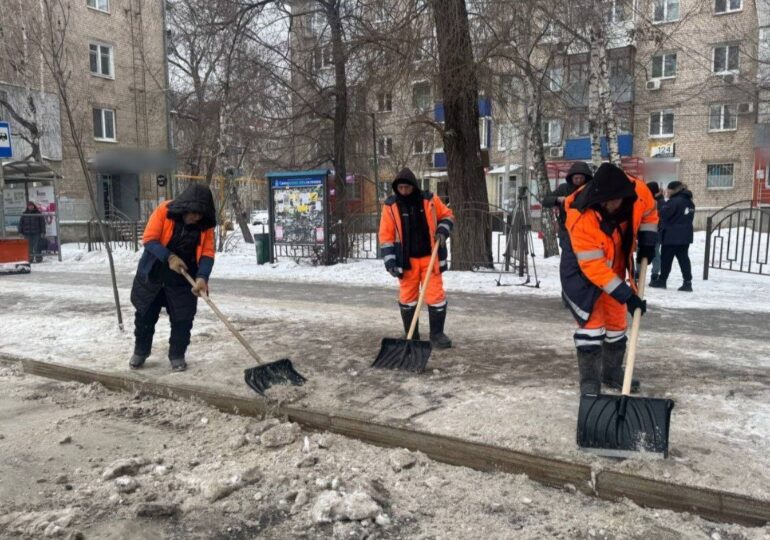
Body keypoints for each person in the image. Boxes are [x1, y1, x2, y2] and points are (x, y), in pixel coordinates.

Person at [560, 163, 659, 395]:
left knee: (617, 323)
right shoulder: (581, 218)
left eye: (615, 201)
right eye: (606, 202)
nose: (611, 206)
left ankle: (612, 373)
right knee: (591, 328)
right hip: (581, 272)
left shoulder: (639, 193)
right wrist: (628, 295)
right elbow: (593, 267)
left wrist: (647, 242)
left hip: (614, 265)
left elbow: (650, 214)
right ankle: (590, 380)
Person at [129, 183, 217, 371]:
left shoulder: (205, 225)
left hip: (183, 279)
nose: (196, 217)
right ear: (184, 207)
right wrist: (169, 257)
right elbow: (149, 239)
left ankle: (177, 354)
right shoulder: (164, 211)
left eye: (200, 214)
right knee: (145, 316)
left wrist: (202, 277)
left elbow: (208, 253)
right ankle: (141, 351)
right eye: (193, 213)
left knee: (183, 319)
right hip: (154, 274)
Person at [379, 167, 455, 348]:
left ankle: (437, 334)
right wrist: (390, 260)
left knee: (436, 296)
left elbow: (448, 216)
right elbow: (386, 236)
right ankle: (412, 333)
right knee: (407, 297)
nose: (404, 191)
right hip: (407, 261)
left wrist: (443, 230)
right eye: (401, 188)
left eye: (407, 187)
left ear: (414, 186)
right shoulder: (391, 206)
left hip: (430, 258)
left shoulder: (429, 200)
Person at [650, 181, 695, 292]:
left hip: (671, 235)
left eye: (668, 189)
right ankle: (687, 282)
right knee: (684, 259)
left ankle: (662, 280)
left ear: (673, 189)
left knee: (666, 259)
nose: (666, 192)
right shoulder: (689, 202)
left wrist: (663, 206)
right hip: (685, 236)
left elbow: (663, 214)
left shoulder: (674, 201)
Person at [542, 162, 593, 247]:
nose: (579, 180)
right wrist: (557, 199)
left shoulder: (590, 189)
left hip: (586, 231)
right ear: (571, 177)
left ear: (586, 178)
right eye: (576, 178)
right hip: (566, 232)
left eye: (581, 178)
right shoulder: (564, 188)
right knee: (568, 257)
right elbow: (545, 201)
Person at [645, 181, 665, 284]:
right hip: (650, 231)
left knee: (654, 253)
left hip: (654, 232)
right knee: (654, 254)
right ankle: (652, 274)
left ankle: (654, 274)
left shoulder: (657, 202)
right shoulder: (660, 201)